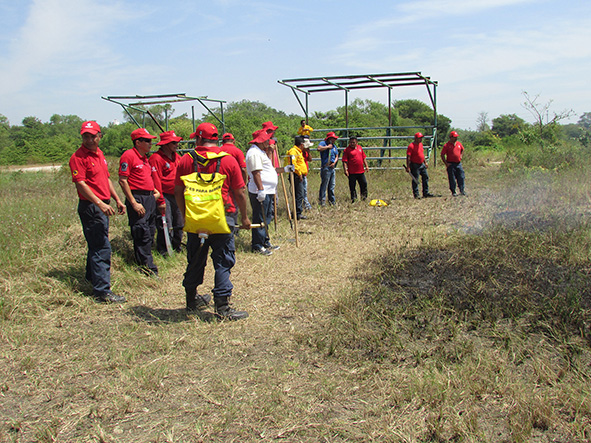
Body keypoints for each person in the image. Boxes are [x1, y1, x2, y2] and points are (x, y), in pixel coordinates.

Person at [174, 122, 251, 320]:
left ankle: (191, 302)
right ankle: (223, 307)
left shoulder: (185, 160)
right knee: (223, 261)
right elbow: (240, 192)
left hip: (196, 220)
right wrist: (244, 217)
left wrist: (185, 216)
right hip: (223, 219)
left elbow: (178, 191)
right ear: (216, 140)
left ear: (199, 139)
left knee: (195, 260)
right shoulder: (228, 160)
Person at [69, 121, 126, 303]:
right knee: (102, 246)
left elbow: (106, 179)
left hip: (103, 204)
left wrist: (117, 199)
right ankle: (102, 292)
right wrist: (100, 203)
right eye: (85, 136)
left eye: (93, 136)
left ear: (99, 136)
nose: (89, 139)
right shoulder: (78, 157)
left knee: (96, 244)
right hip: (91, 207)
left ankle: (91, 278)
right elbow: (81, 183)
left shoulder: (99, 154)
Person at [119, 128, 162, 276]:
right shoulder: (129, 156)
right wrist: (134, 203)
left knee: (150, 231)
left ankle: (143, 263)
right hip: (138, 198)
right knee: (141, 232)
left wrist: (153, 194)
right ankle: (148, 268)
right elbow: (123, 180)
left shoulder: (145, 158)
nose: (151, 143)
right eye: (148, 141)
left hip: (149, 198)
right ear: (138, 142)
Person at [245, 128, 294, 255]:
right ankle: (257, 245)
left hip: (268, 190)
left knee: (267, 217)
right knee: (260, 218)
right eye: (266, 140)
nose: (268, 142)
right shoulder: (254, 153)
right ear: (260, 141)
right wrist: (261, 190)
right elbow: (256, 173)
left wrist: (285, 169)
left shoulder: (261, 152)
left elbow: (270, 170)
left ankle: (265, 241)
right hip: (261, 191)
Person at [149, 130, 184, 255]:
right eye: (173, 142)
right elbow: (156, 180)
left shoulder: (177, 157)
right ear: (165, 144)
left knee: (179, 222)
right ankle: (164, 251)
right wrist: (160, 200)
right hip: (165, 196)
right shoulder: (156, 159)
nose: (176, 145)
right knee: (166, 223)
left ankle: (177, 247)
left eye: (176, 142)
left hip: (178, 196)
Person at [284, 136, 308, 220]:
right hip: (296, 176)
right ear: (301, 144)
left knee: (299, 194)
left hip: (299, 175)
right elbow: (293, 164)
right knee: (299, 194)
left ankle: (298, 212)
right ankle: (297, 213)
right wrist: (299, 173)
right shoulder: (293, 152)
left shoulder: (298, 151)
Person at [406, 132, 434, 199]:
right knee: (415, 179)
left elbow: (422, 154)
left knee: (425, 177)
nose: (421, 139)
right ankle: (416, 194)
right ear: (416, 138)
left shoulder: (421, 145)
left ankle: (425, 192)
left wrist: (425, 162)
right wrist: (408, 166)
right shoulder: (411, 146)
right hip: (415, 165)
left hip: (421, 164)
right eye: (419, 138)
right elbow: (408, 157)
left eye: (421, 138)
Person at [342, 135, 369, 202]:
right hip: (352, 172)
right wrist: (345, 170)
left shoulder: (360, 148)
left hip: (361, 171)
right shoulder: (347, 150)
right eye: (351, 142)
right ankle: (354, 199)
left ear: (356, 142)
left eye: (353, 142)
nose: (352, 144)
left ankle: (364, 198)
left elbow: (364, 157)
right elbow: (344, 161)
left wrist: (366, 166)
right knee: (352, 186)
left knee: (364, 184)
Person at [440, 130, 466, 196]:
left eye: (456, 137)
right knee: (452, 178)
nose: (456, 138)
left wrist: (461, 156)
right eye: (454, 137)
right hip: (451, 164)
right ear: (451, 137)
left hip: (458, 163)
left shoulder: (459, 144)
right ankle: (453, 191)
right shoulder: (446, 145)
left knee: (461, 177)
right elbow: (442, 154)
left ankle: (462, 190)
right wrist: (446, 163)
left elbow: (462, 150)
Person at [317, 132, 339, 206]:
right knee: (325, 184)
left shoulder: (334, 146)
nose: (334, 140)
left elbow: (337, 156)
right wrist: (327, 147)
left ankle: (332, 201)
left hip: (332, 167)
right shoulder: (323, 143)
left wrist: (334, 163)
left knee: (332, 185)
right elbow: (319, 148)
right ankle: (322, 201)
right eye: (333, 139)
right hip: (326, 167)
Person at [301, 139, 313, 210]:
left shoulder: (306, 153)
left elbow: (310, 159)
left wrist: (308, 153)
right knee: (302, 190)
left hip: (304, 174)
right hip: (300, 174)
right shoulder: (299, 153)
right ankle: (306, 204)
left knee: (305, 190)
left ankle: (305, 204)